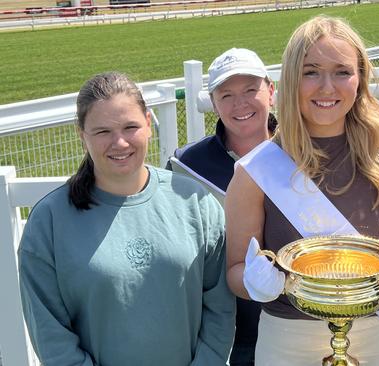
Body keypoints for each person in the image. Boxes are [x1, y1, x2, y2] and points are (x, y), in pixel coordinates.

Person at [225, 15, 379, 366]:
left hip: (378, 337)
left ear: (360, 79)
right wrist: (254, 282)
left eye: (342, 72)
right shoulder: (256, 172)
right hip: (286, 341)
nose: (327, 87)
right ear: (291, 80)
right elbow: (233, 271)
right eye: (311, 72)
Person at [18, 72, 235, 366]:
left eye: (130, 127)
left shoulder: (195, 203)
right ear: (82, 135)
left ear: (148, 123)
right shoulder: (49, 222)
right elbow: (51, 335)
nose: (119, 143)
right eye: (103, 131)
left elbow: (220, 308)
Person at [168, 48, 275, 366]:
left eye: (250, 90)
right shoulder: (187, 164)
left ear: (271, 91)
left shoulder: (301, 151)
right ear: (213, 103)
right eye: (226, 94)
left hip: (295, 326)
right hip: (226, 337)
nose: (240, 104)